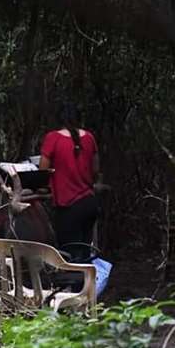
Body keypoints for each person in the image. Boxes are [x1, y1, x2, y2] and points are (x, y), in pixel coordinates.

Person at [39, 103, 100, 261]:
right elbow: (95, 170)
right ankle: (86, 285)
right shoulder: (89, 138)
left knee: (69, 256)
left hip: (68, 206)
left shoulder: (53, 138)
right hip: (89, 203)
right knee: (85, 255)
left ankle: (74, 286)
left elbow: (42, 172)